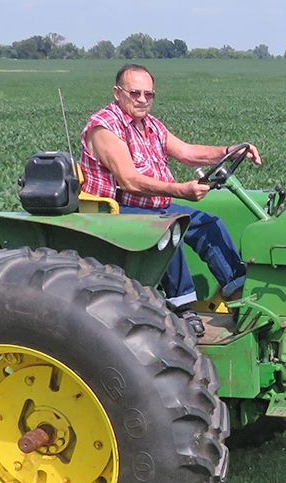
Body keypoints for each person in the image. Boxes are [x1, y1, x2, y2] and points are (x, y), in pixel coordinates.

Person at [80, 63, 261, 336]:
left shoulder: (150, 125)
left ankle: (237, 292)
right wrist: (180, 190)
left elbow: (187, 153)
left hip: (153, 206)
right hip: (116, 210)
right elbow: (128, 180)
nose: (142, 100)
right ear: (118, 93)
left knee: (208, 223)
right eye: (135, 93)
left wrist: (229, 150)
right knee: (169, 230)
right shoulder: (105, 127)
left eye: (148, 94)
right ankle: (183, 306)